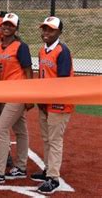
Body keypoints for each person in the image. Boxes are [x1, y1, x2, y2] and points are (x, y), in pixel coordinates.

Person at [0, 13, 33, 185]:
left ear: (16, 28)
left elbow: (28, 70)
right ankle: (21, 167)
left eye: (11, 25)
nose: (7, 27)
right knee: (20, 130)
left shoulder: (20, 46)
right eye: (4, 24)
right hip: (6, 93)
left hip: (18, 93)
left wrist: (30, 95)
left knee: (1, 129)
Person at [31, 17, 74, 195]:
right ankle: (48, 169)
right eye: (45, 29)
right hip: (45, 102)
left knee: (55, 140)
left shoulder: (62, 51)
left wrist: (47, 98)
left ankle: (53, 178)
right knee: (47, 138)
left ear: (59, 32)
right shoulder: (43, 50)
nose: (46, 33)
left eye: (51, 30)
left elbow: (62, 82)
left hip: (59, 102)